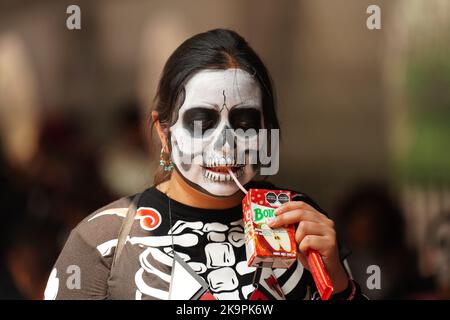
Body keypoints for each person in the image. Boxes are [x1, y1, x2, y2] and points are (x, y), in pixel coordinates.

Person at [45, 29, 365, 300]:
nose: (226, 145)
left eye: (245, 123)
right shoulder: (103, 241)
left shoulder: (300, 223)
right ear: (164, 131)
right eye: (202, 122)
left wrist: (337, 283)